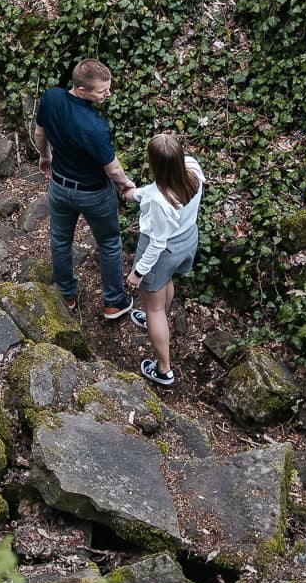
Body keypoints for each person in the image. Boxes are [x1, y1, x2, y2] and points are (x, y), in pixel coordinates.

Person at [32, 59, 141, 322]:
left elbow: (39, 132)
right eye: (102, 91)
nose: (108, 94)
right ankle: (114, 303)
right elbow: (113, 169)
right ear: (81, 91)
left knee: (60, 239)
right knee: (109, 242)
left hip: (59, 185)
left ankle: (66, 295)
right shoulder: (94, 126)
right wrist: (125, 184)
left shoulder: (51, 97)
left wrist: (45, 156)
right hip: (93, 193)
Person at [127, 133, 204, 389]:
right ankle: (159, 314)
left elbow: (157, 243)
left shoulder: (160, 200)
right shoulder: (192, 167)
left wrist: (138, 272)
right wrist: (136, 194)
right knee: (165, 282)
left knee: (153, 306)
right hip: (187, 238)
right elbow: (152, 190)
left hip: (164, 249)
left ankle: (163, 370)